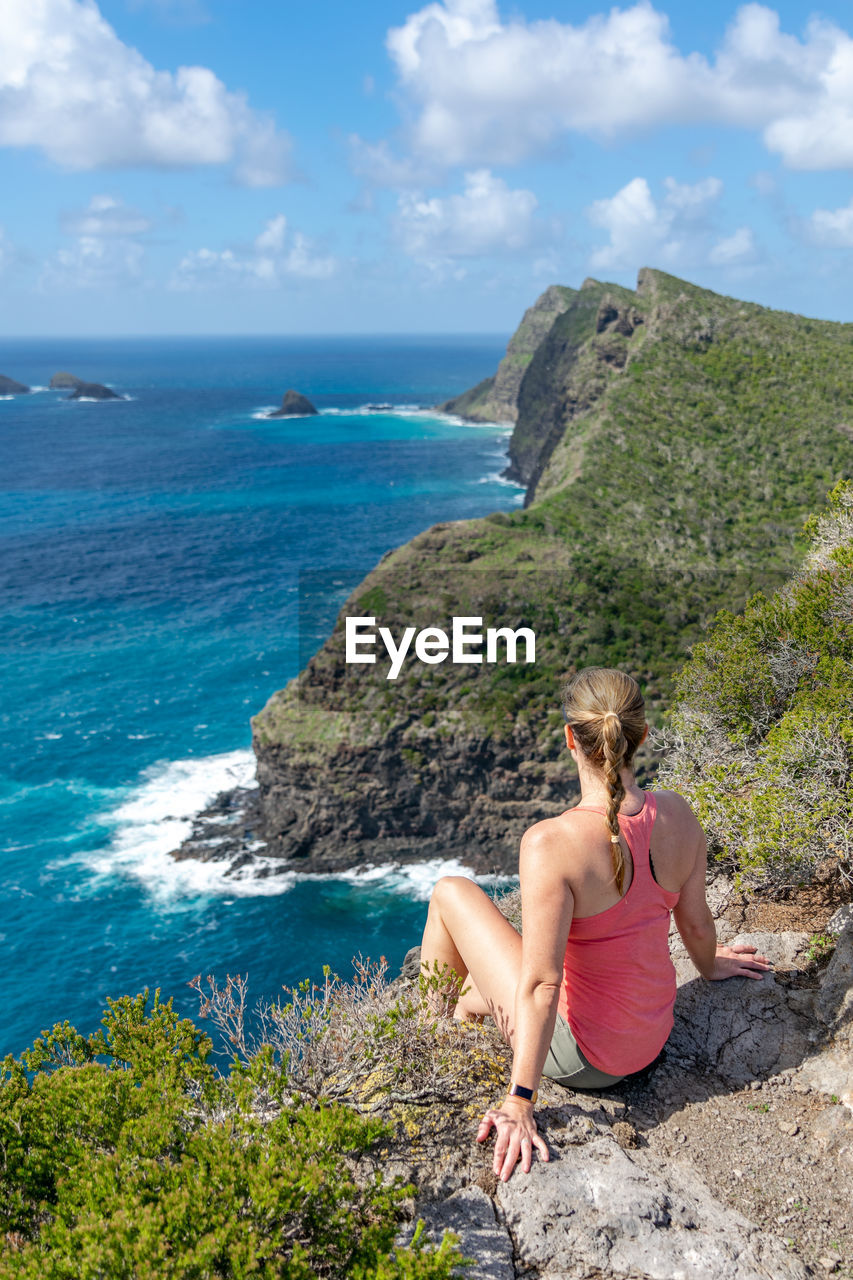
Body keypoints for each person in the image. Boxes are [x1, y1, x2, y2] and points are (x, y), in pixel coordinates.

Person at [420, 666, 771, 1184]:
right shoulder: (679, 814)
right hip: (651, 1041)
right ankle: (465, 1006)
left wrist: (520, 1100)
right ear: (641, 737)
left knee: (451, 892)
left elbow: (542, 984)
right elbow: (696, 927)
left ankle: (426, 1033)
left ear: (571, 740)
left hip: (586, 1060)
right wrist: (712, 965)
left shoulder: (550, 843)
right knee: (475, 990)